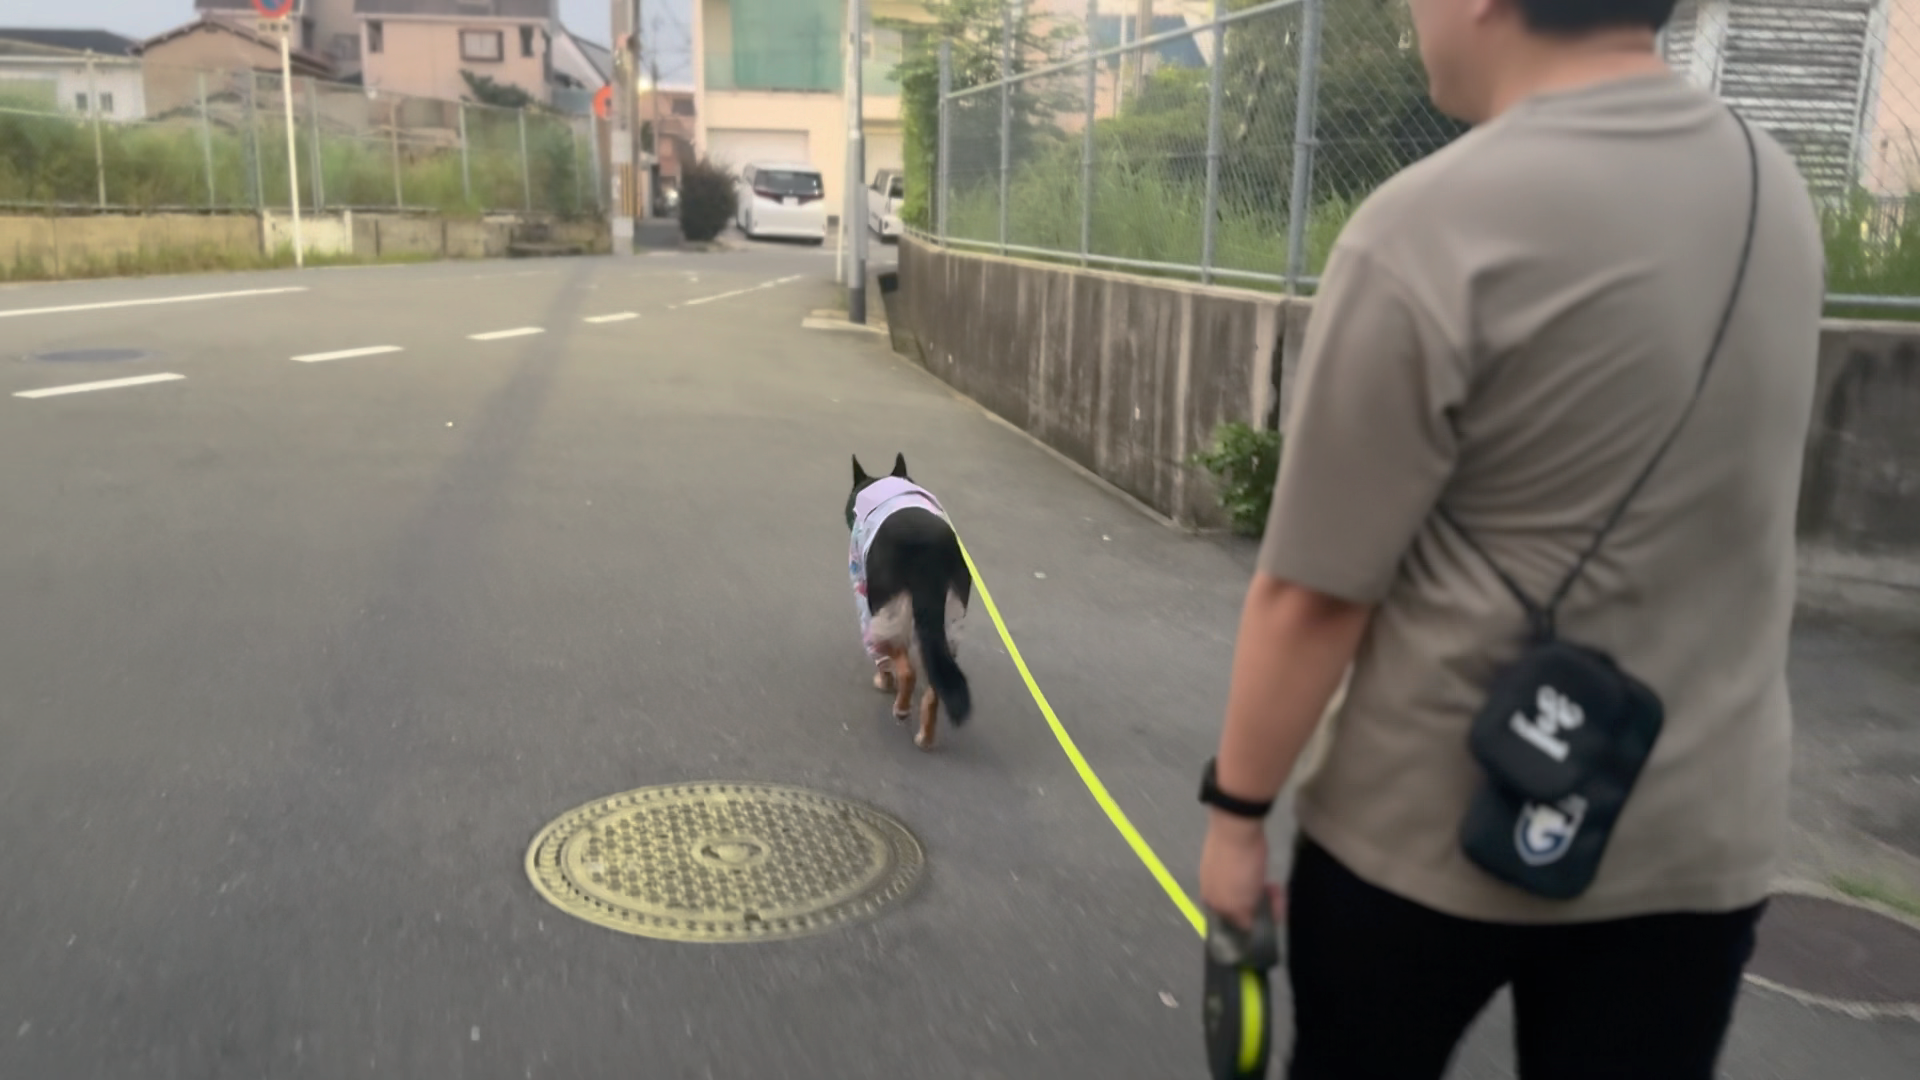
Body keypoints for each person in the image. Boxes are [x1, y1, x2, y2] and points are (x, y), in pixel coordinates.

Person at [1193, 1, 1823, 1078]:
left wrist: (1237, 817)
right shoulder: (1777, 189)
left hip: (1427, 832)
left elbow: (1314, 595)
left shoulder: (1427, 224)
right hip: (1693, 837)